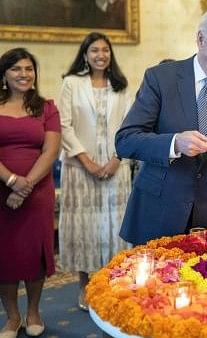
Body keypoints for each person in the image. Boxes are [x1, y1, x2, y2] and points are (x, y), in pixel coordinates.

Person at [115, 7, 207, 245]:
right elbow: (125, 140)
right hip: (158, 210)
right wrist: (174, 143)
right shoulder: (161, 78)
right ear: (201, 39)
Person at [57, 32, 132, 311]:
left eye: (105, 50)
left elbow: (129, 127)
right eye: (94, 50)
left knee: (114, 229)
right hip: (80, 168)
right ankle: (85, 287)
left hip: (115, 167)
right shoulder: (71, 83)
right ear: (85, 55)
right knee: (85, 228)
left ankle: (113, 286)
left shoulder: (121, 86)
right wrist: (87, 162)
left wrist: (115, 159)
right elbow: (64, 126)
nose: (101, 55)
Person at [0, 48, 61, 338]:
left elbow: (51, 150)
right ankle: (12, 317)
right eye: (16, 69)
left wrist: (23, 188)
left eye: (29, 69)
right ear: (4, 74)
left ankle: (33, 311)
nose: (24, 74)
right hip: (1, 191)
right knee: (5, 255)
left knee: (34, 254)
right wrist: (11, 181)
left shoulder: (47, 107)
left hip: (37, 192)